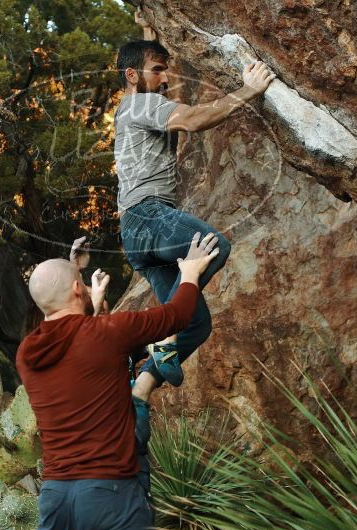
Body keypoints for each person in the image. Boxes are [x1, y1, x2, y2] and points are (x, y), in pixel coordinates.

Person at [114, 11, 276, 391]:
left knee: (198, 324)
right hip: (149, 219)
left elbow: (152, 65)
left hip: (137, 237)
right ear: (132, 77)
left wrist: (148, 24)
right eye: (158, 70)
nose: (167, 78)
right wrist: (249, 90)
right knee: (213, 246)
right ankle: (163, 336)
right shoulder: (140, 103)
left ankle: (141, 385)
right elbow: (193, 119)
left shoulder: (135, 106)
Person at [17, 232, 220, 530]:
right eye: (82, 285)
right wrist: (189, 274)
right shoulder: (109, 332)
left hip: (56, 496)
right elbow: (175, 316)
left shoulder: (26, 354)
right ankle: (148, 379)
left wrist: (74, 272)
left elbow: (70, 328)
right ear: (77, 289)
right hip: (109, 492)